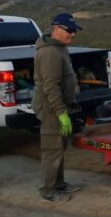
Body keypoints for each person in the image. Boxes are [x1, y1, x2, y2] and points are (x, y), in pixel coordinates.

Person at [32, 13, 83, 203]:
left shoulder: (59, 48)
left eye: (74, 31)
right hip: (50, 108)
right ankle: (48, 189)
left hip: (58, 106)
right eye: (69, 30)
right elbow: (50, 87)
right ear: (56, 29)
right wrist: (61, 113)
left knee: (59, 147)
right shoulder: (49, 53)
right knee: (52, 148)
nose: (73, 34)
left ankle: (58, 183)